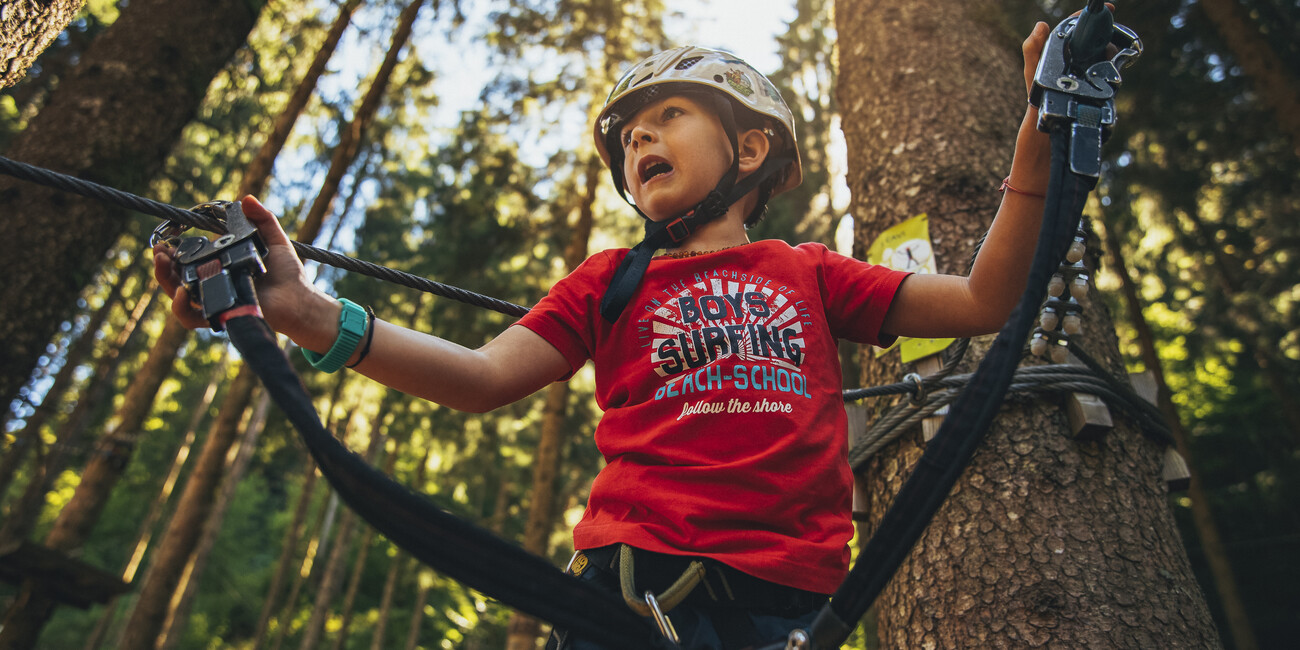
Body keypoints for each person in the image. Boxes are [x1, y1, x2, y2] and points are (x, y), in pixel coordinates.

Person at [154, 21, 1058, 650]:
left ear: (748, 152)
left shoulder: (814, 272)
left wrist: (1043, 132)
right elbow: (480, 376)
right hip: (633, 589)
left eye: (666, 118)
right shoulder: (610, 279)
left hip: (794, 603)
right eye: (627, 137)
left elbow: (984, 299)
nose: (639, 142)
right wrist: (309, 313)